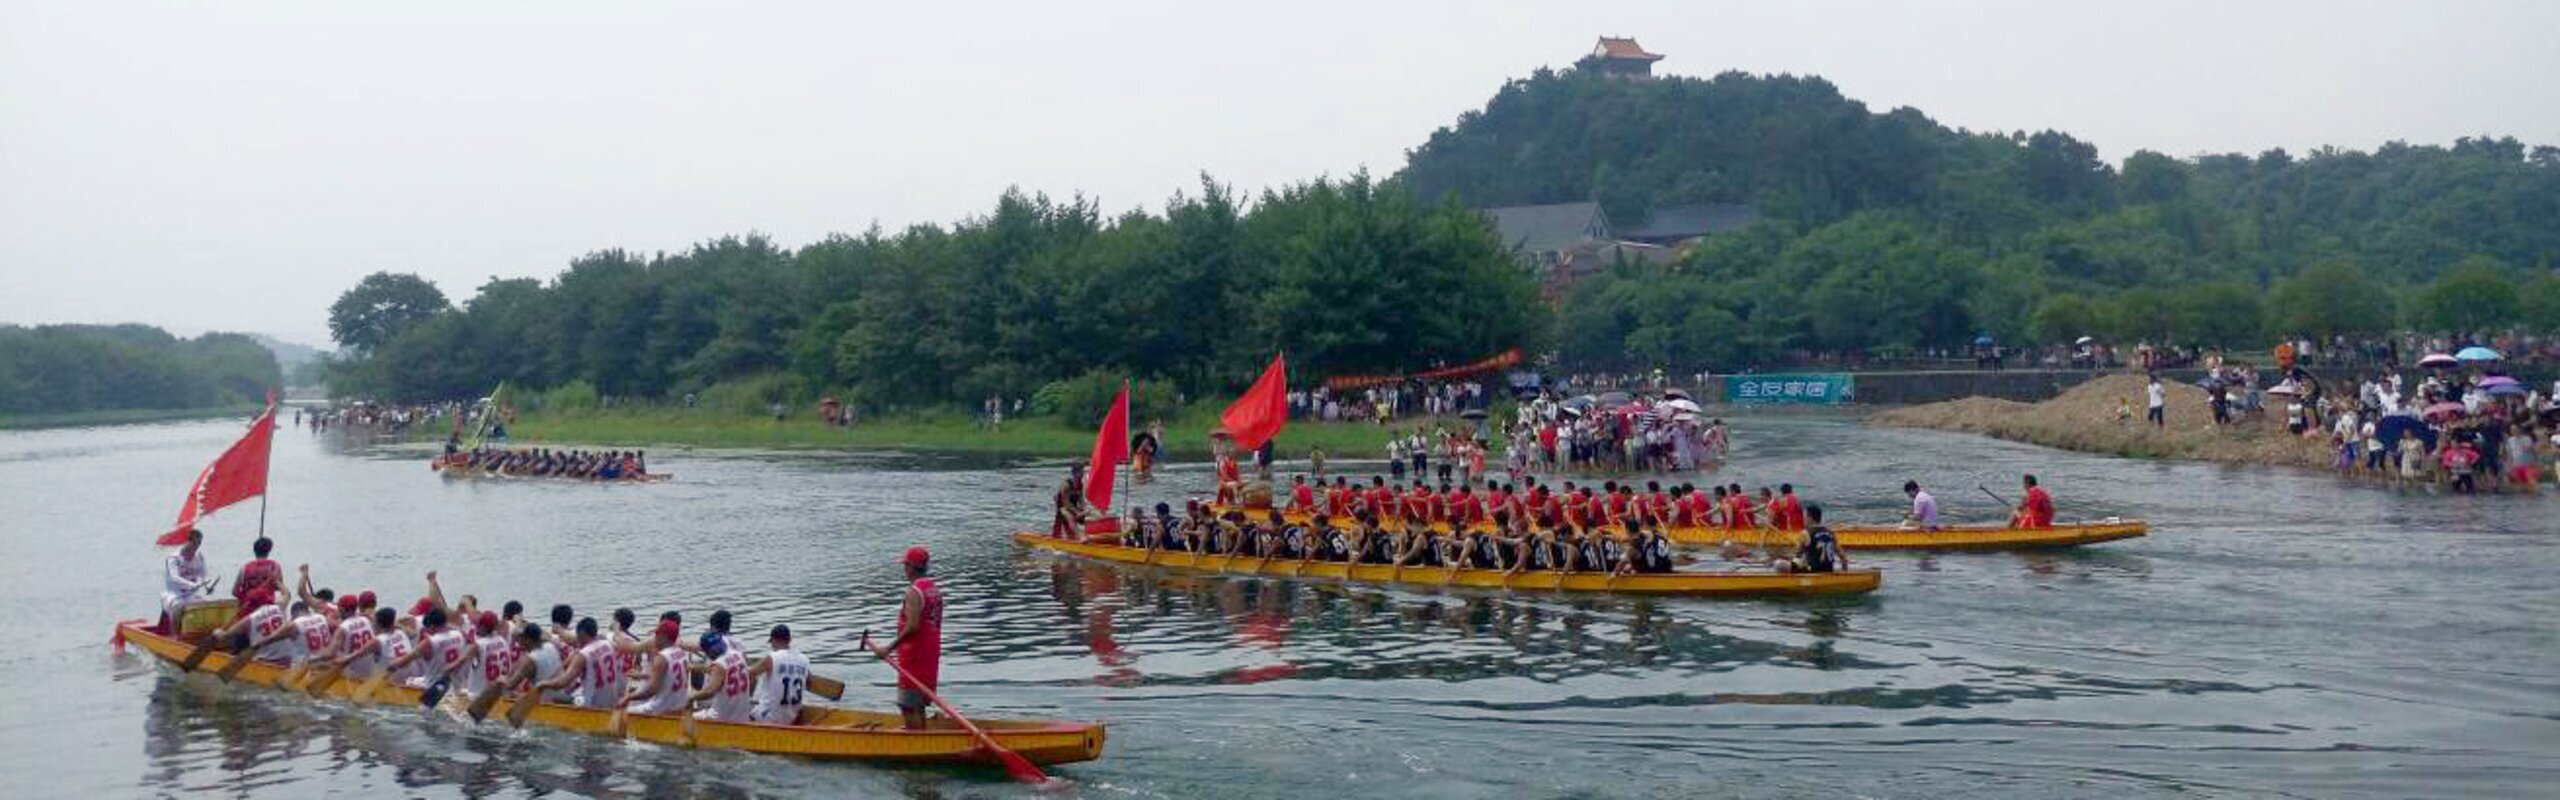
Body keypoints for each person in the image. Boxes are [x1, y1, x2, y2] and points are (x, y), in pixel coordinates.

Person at [871, 546, 944, 730]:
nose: (904, 569)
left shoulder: (913, 592)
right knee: (918, 701)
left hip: (915, 653)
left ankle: (916, 740)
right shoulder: (933, 588)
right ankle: (920, 733)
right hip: (931, 651)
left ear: (911, 567)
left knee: (908, 704)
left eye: (905, 565)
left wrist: (888, 648)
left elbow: (913, 626)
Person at [621, 618, 690, 716]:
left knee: (620, 711)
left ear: (664, 637)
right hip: (680, 705)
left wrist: (628, 697)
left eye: (657, 634)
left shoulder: (661, 658)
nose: (655, 637)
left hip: (661, 708)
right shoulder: (681, 652)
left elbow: (652, 690)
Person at [749, 624, 811, 724]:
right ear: (789, 640)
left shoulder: (772, 658)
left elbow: (748, 675)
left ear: (774, 640)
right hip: (791, 718)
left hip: (767, 716)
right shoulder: (804, 660)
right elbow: (808, 682)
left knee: (742, 710)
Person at [160, 528, 216, 634]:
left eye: (199, 543)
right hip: (174, 594)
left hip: (191, 595)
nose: (197, 546)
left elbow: (204, 575)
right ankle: (175, 635)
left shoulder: (199, 556)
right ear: (188, 541)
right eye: (194, 543)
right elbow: (174, 577)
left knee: (207, 607)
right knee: (178, 607)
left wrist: (207, 586)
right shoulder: (173, 558)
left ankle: (199, 634)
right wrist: (192, 584)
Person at [689, 631, 753, 722]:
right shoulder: (738, 655)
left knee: (687, 718)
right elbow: (715, 670)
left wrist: (691, 696)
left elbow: (710, 691)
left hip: (721, 716)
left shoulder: (719, 664)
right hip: (742, 715)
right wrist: (693, 667)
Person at [1778, 504, 1846, 574]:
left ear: (1810, 518)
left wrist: (1788, 558)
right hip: (1828, 569)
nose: (1804, 519)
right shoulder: (1830, 532)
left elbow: (1797, 554)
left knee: (1779, 564)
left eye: (1805, 517)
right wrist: (1844, 571)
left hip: (1812, 571)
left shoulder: (1805, 533)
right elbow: (1842, 555)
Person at [233, 537, 283, 615]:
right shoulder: (274, 566)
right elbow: (280, 588)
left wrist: (248, 597)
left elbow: (235, 591)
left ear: (254, 550)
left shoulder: (245, 568)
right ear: (269, 550)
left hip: (248, 611)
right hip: (268, 610)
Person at [1050, 464, 1086, 538]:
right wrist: (1077, 512)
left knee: (1088, 516)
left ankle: (1091, 535)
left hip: (1073, 506)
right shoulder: (1066, 485)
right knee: (1070, 516)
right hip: (1062, 507)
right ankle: (1080, 537)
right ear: (1074, 473)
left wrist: (1084, 510)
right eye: (1080, 472)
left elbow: (1081, 500)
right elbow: (1066, 504)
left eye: (1083, 472)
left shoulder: (1080, 485)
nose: (1082, 474)